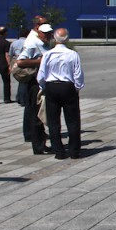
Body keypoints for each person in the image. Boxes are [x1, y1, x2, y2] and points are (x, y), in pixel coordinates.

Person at [37, 28, 84, 160]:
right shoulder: (72, 54)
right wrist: (77, 88)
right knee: (73, 120)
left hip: (52, 86)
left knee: (53, 122)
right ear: (67, 39)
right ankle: (74, 151)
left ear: (55, 39)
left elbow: (41, 74)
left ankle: (59, 151)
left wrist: (43, 86)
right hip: (68, 86)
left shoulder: (48, 54)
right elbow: (78, 74)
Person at [14, 19, 52, 154]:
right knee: (35, 114)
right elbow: (20, 61)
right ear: (38, 30)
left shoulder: (44, 43)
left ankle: (42, 142)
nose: (48, 36)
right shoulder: (31, 43)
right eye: (46, 33)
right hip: (34, 82)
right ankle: (37, 145)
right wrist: (39, 61)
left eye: (50, 34)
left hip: (42, 82)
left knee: (41, 113)